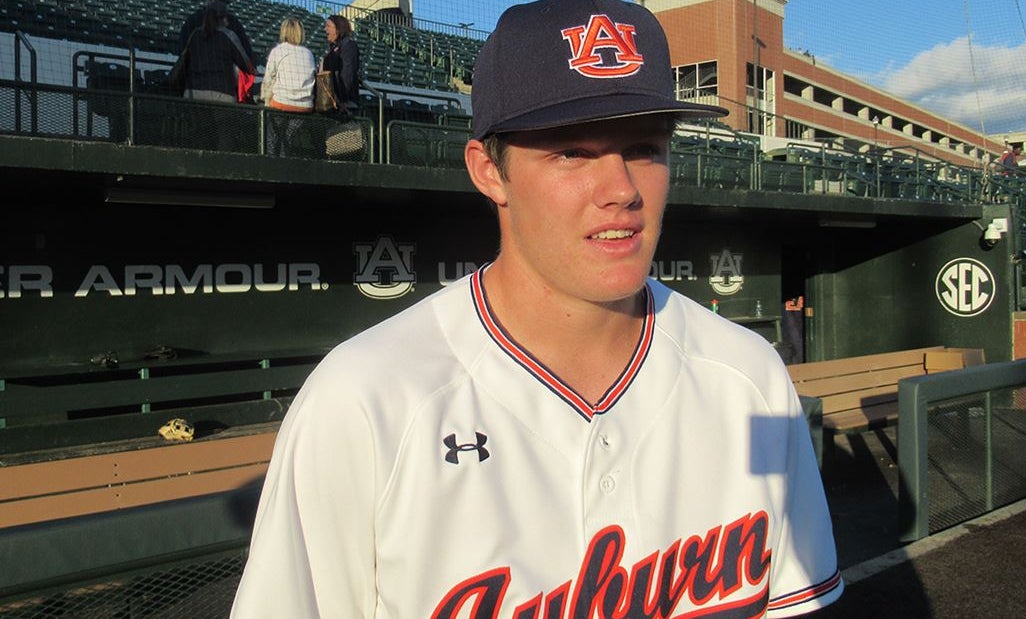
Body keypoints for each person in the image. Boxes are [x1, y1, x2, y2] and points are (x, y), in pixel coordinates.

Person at [230, 0, 843, 617]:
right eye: (572, 153)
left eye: (645, 148)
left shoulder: (751, 376)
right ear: (489, 172)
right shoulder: (363, 399)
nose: (623, 189)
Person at [181, 2, 254, 150]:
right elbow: (248, 64)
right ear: (223, 18)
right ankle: (220, 171)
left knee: (199, 135)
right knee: (225, 136)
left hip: (194, 92)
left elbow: (182, 57)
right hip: (222, 93)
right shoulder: (230, 32)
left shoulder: (193, 28)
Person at [262, 17, 316, 156]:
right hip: (304, 105)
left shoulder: (278, 50)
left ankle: (270, 167)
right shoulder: (308, 53)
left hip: (281, 102)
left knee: (272, 139)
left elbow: (268, 78)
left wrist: (265, 100)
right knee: (288, 139)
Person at [321, 14, 360, 115]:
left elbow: (347, 73)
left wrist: (343, 100)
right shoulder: (333, 49)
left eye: (328, 26)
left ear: (338, 28)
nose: (325, 30)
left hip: (345, 104)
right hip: (334, 102)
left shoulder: (349, 46)